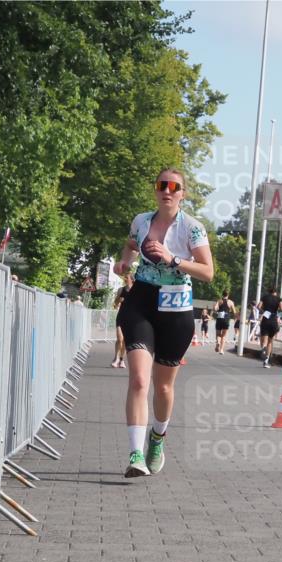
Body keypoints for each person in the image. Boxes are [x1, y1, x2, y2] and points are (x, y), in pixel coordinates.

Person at [112, 168, 213, 478]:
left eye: (174, 186)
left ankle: (157, 438)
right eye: (162, 185)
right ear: (155, 190)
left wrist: (172, 259)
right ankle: (135, 454)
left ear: (182, 193)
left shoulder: (193, 229)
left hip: (176, 307)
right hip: (141, 299)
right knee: (140, 380)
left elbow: (208, 272)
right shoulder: (141, 221)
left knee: (163, 386)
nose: (167, 191)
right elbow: (130, 245)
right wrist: (124, 261)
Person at [256, 287, 282, 368]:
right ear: (276, 292)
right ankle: (266, 361)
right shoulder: (279, 299)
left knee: (264, 339)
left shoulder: (264, 297)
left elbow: (258, 306)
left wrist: (264, 310)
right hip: (273, 320)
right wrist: (276, 308)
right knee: (270, 341)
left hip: (265, 319)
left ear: (269, 292)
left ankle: (263, 348)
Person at [111, 274, 133, 368]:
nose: (124, 279)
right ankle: (116, 358)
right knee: (120, 339)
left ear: (131, 280)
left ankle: (121, 359)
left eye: (126, 278)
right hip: (121, 316)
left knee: (125, 341)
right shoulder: (121, 290)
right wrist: (118, 300)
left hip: (131, 318)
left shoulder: (135, 290)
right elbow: (115, 305)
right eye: (124, 277)